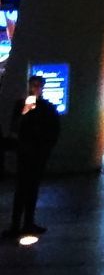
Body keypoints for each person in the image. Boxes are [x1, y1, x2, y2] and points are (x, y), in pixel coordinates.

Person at [4, 75, 61, 239]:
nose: (34, 88)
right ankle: (16, 225)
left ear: (42, 88)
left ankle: (28, 222)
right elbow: (14, 127)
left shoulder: (47, 107)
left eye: (38, 86)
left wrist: (46, 149)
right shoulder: (21, 105)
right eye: (32, 85)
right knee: (21, 189)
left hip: (38, 154)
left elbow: (54, 130)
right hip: (25, 153)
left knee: (32, 189)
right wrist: (25, 112)